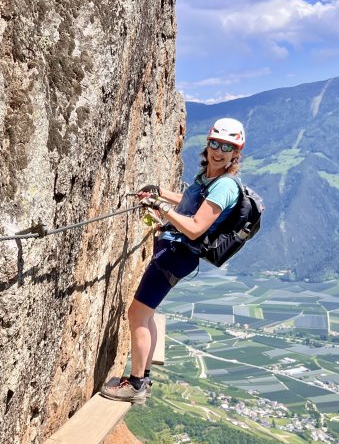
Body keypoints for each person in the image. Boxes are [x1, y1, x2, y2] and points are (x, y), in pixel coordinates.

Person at [100, 118, 246, 403]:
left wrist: (161, 207)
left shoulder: (224, 187)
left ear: (235, 152)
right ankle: (143, 378)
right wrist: (161, 193)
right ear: (208, 143)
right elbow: (192, 204)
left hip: (175, 256)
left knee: (137, 315)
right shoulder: (210, 178)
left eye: (227, 146)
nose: (218, 150)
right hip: (174, 253)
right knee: (147, 313)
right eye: (215, 143)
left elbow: (194, 227)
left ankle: (136, 383)